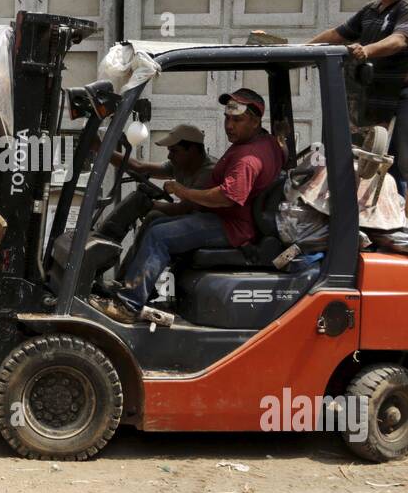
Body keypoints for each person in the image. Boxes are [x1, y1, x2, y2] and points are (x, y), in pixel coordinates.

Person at [106, 89, 284, 322]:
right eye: (227, 118)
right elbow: (142, 167)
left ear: (256, 120)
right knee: (156, 224)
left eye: (237, 120)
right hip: (231, 221)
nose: (229, 126)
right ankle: (131, 287)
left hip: (230, 226)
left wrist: (182, 191)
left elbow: (226, 198)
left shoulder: (248, 158)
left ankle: (129, 305)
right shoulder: (265, 142)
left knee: (159, 234)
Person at [307, 0, 408, 238]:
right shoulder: (372, 10)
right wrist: (303, 49)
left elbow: (398, 41)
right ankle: (386, 218)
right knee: (377, 159)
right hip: (378, 93)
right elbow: (338, 33)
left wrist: (366, 50)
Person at [94, 124, 214, 243]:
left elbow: (183, 209)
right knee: (152, 216)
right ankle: (125, 256)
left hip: (205, 227)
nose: (169, 156)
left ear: (192, 150)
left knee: (154, 226)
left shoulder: (209, 172)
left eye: (174, 151)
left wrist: (146, 205)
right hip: (189, 220)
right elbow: (139, 167)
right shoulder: (181, 165)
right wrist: (99, 148)